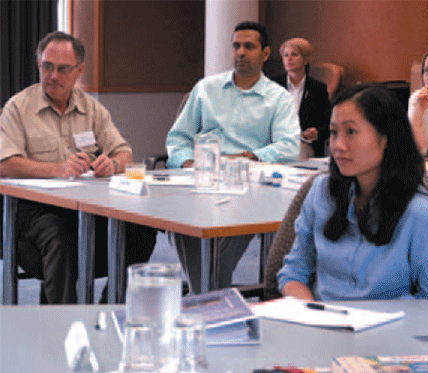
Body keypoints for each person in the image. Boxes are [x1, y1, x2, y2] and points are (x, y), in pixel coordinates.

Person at [0, 31, 156, 304]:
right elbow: (5, 164)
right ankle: (64, 326)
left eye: (62, 69)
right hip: (32, 212)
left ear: (79, 71)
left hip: (84, 206)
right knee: (60, 237)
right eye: (47, 66)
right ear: (38, 65)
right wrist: (56, 169)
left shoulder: (92, 109)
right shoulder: (18, 108)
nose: (53, 76)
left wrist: (113, 164)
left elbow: (124, 151)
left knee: (141, 230)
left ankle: (108, 309)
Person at [277, 84, 428, 301]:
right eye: (333, 132)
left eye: (351, 132)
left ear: (386, 137)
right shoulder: (321, 193)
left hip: (390, 332)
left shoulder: (421, 214)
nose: (338, 145)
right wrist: (312, 314)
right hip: (320, 324)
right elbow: (293, 273)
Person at [165, 22, 300, 291]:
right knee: (178, 225)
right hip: (201, 180)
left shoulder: (278, 98)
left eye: (249, 46)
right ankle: (210, 295)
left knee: (224, 241)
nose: (240, 52)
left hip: (246, 187)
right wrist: (190, 162)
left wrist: (249, 156)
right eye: (236, 46)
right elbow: (177, 139)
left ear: (265, 53)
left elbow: (289, 146)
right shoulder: (206, 89)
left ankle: (204, 294)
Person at [273, 38, 330, 158]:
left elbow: (328, 124)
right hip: (277, 143)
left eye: (294, 55)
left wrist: (317, 132)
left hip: (304, 146)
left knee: (297, 152)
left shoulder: (318, 88)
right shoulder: (274, 86)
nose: (289, 59)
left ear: (305, 59)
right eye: (285, 55)